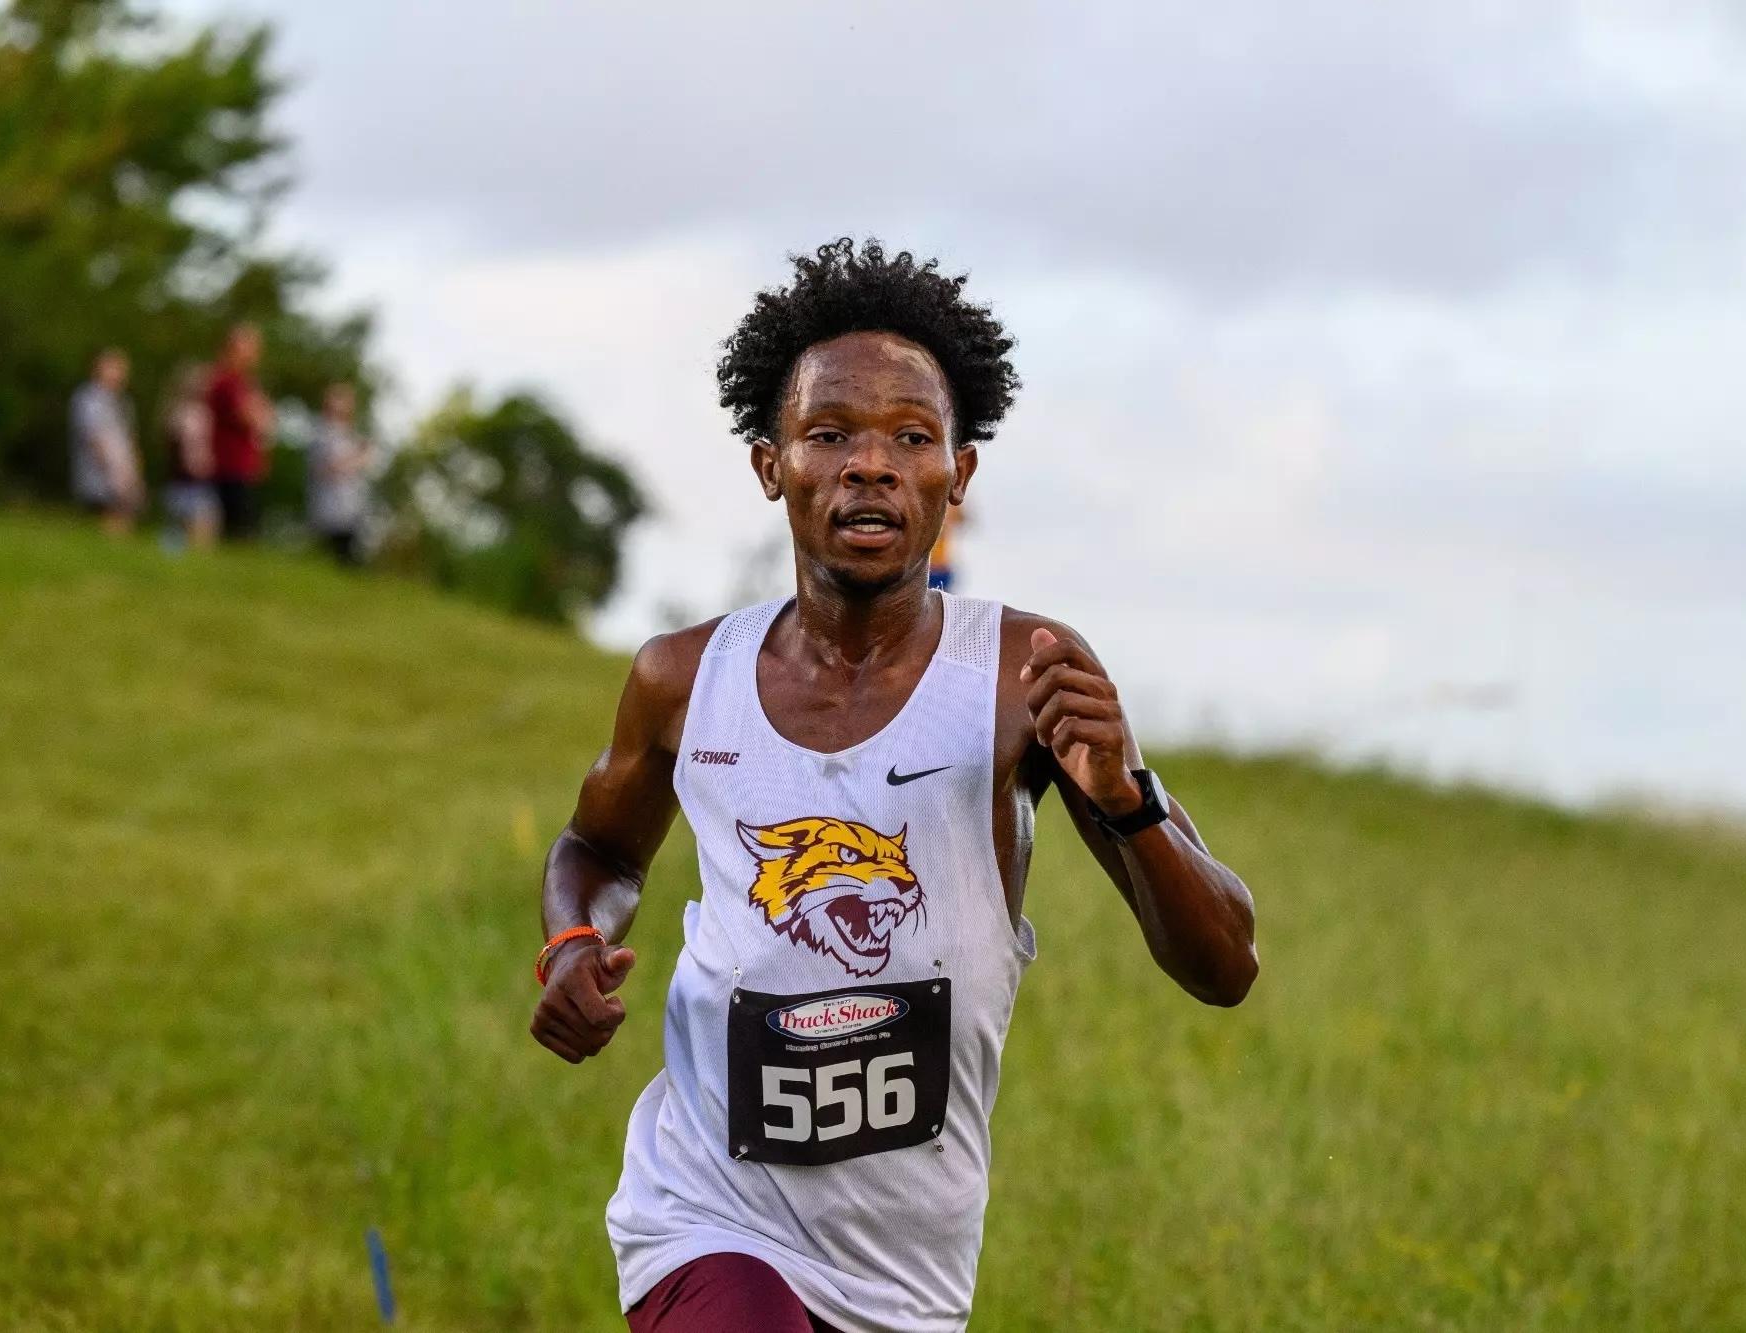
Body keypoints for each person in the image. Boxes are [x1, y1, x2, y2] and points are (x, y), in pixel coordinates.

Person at [527, 239, 1259, 1333]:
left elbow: (1224, 964)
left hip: (907, 1274)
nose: (870, 465)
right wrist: (572, 942)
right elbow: (600, 852)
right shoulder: (684, 679)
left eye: (911, 438)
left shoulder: (1023, 678)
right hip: (708, 1211)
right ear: (771, 463)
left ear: (955, 476)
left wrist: (1124, 800)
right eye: (830, 435)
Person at [204, 323, 271, 540]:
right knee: (238, 530)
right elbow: (250, 418)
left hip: (243, 465)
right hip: (229, 465)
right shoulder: (226, 381)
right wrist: (260, 413)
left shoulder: (245, 383)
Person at [69, 348, 142, 535]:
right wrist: (113, 471)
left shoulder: (123, 403)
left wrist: (133, 471)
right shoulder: (89, 399)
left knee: (125, 514)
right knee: (108, 512)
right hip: (101, 469)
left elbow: (130, 439)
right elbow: (93, 436)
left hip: (124, 469)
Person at [308, 382, 372, 565]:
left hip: (350, 506)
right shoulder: (322, 432)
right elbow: (326, 468)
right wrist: (358, 457)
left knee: (351, 555)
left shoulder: (348, 433)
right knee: (338, 557)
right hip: (331, 507)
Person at [162, 363, 219, 550]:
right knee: (185, 524)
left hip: (201, 477)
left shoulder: (204, 414)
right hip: (184, 480)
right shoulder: (179, 414)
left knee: (206, 523)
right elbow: (176, 448)